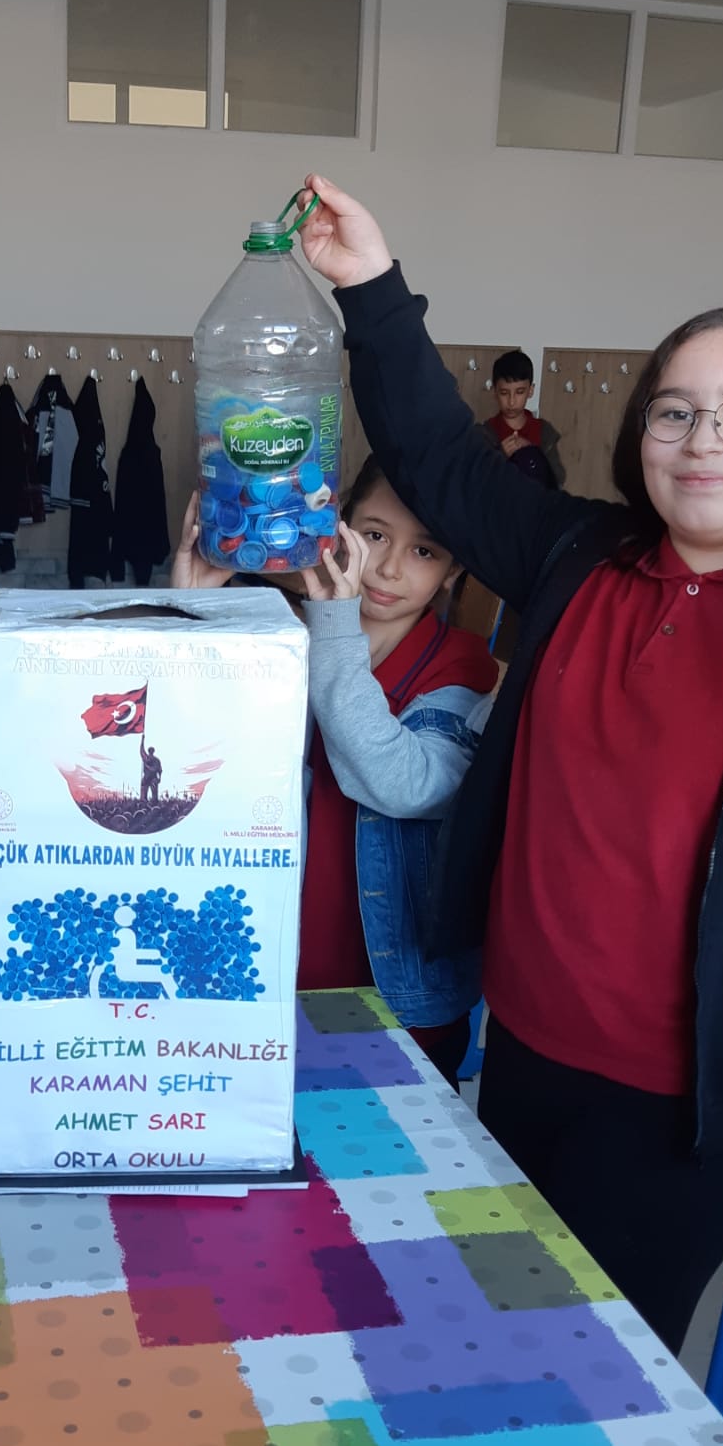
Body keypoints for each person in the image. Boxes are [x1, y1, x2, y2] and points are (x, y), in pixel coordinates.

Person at [293, 172, 723, 1351]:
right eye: (674, 410)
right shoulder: (581, 552)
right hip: (527, 1043)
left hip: (690, 1093)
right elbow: (439, 454)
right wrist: (371, 287)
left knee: (597, 1358)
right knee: (498, 1320)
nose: (703, 438)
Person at [174, 457, 498, 1083]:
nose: (389, 567)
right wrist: (194, 612)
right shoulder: (276, 637)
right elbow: (190, 756)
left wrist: (333, 628)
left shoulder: (461, 665)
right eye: (374, 535)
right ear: (336, 526)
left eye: (425, 551)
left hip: (395, 1002)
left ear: (454, 570)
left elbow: (403, 782)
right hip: (264, 974)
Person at [483, 348, 564, 488]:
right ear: (495, 392)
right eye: (504, 393)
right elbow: (476, 480)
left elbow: (558, 479)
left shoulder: (544, 431)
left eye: (519, 392)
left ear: (530, 391)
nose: (512, 401)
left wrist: (533, 454)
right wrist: (500, 454)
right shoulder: (485, 433)